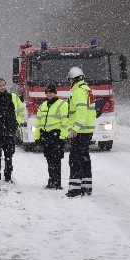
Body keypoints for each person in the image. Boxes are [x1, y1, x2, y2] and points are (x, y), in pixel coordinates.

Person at [66, 67, 96, 197]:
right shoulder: (87, 90)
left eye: (70, 80)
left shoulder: (78, 92)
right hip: (87, 130)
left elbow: (82, 112)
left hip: (81, 131)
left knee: (75, 159)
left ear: (74, 79)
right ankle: (86, 187)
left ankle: (75, 189)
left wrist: (75, 128)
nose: (69, 82)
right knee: (84, 158)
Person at [34, 83, 69, 189]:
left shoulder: (62, 105)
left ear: (55, 93)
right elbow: (38, 122)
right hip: (46, 136)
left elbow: (65, 123)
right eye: (47, 92)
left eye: (51, 92)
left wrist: (63, 137)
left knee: (56, 161)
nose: (49, 94)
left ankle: (57, 183)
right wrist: (37, 137)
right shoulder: (43, 105)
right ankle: (51, 182)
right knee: (49, 160)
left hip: (56, 136)